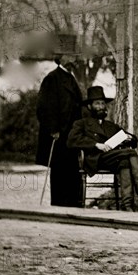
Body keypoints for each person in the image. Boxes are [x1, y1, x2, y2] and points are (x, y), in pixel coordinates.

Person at [67, 86, 138, 212]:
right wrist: (96, 145)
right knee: (130, 153)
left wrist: (129, 138)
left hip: (114, 159)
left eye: (103, 103)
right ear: (89, 106)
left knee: (125, 162)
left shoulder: (111, 126)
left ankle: (127, 205)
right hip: (95, 158)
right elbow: (71, 141)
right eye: (97, 104)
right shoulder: (81, 123)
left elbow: (134, 139)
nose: (101, 106)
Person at [36, 48, 83, 207]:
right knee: (59, 170)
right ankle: (59, 204)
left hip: (72, 133)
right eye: (72, 55)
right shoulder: (52, 78)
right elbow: (44, 107)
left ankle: (73, 204)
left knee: (72, 169)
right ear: (61, 58)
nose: (75, 59)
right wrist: (53, 130)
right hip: (59, 134)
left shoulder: (70, 77)